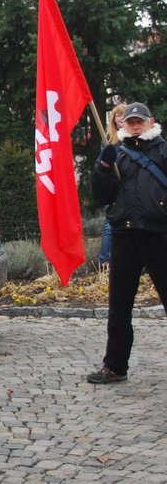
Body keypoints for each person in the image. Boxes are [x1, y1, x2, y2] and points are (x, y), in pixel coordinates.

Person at [88, 102, 167, 384]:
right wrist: (104, 166)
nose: (134, 125)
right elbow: (101, 195)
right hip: (124, 234)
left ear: (150, 122)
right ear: (122, 124)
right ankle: (115, 365)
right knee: (119, 306)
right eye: (130, 121)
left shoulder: (162, 150)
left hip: (158, 234)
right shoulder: (116, 153)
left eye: (139, 121)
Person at [98, 102, 127, 269]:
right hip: (114, 187)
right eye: (118, 115)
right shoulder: (108, 139)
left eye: (123, 114)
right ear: (114, 119)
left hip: (129, 186)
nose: (120, 118)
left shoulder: (133, 137)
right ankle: (104, 261)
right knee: (110, 224)